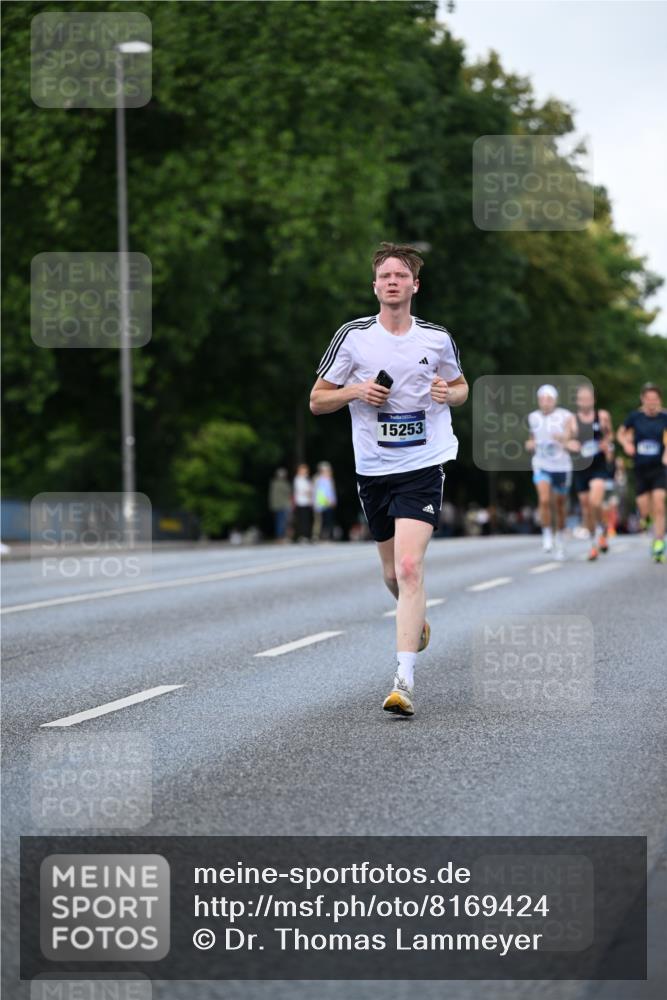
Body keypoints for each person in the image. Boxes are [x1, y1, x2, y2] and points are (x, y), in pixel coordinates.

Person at [309, 242, 468, 716]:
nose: (392, 282)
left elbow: (460, 387)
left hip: (424, 463)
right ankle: (416, 621)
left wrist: (448, 393)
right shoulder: (353, 338)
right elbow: (317, 400)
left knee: (410, 567)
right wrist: (356, 390)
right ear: (375, 286)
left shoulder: (436, 339)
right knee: (391, 574)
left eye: (401, 275)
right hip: (374, 468)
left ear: (415, 285)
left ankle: (404, 681)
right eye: (385, 276)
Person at [616, 383, 667, 563]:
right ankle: (647, 521)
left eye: (655, 399)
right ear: (643, 400)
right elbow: (620, 433)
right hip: (640, 468)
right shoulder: (635, 417)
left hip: (659, 468)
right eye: (648, 399)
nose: (652, 403)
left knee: (659, 503)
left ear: (659, 400)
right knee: (644, 508)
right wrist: (626, 444)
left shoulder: (665, 417)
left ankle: (659, 543)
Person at [565, 385, 614, 561]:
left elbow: (609, 436)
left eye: (588, 398)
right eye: (582, 398)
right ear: (577, 401)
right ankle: (594, 542)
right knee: (586, 508)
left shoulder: (602, 416)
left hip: (598, 467)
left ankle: (602, 529)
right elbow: (566, 441)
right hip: (580, 468)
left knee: (595, 501)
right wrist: (571, 445)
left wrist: (606, 444)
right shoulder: (571, 420)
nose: (585, 401)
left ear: (593, 399)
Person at [525, 385, 573, 561]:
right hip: (541, 463)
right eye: (542, 399)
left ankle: (560, 537)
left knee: (560, 505)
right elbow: (532, 439)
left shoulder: (565, 415)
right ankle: (546, 534)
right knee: (544, 500)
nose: (545, 402)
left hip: (561, 466)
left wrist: (562, 438)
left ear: (555, 400)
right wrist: (529, 444)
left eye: (549, 399)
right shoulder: (533, 417)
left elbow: (570, 437)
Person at [312, 462, 337, 541]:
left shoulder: (330, 479)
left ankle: (327, 536)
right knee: (319, 521)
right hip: (320, 503)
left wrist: (334, 500)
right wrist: (314, 502)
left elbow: (332, 491)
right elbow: (315, 492)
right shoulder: (317, 479)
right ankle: (316, 536)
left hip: (329, 503)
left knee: (328, 520)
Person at [268, 468, 292, 542]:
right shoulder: (283, 483)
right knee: (282, 521)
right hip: (283, 505)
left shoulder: (274, 483)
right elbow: (288, 493)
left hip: (279, 505)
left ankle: (281, 536)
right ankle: (281, 536)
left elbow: (272, 495)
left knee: (280, 521)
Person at [292, 464, 314, 542]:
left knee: (307, 520)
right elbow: (300, 490)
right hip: (300, 502)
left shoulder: (306, 479)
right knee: (301, 520)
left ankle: (306, 536)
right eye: (303, 470)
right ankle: (301, 536)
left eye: (305, 470)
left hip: (307, 502)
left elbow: (311, 489)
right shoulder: (297, 479)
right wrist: (308, 492)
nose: (305, 472)